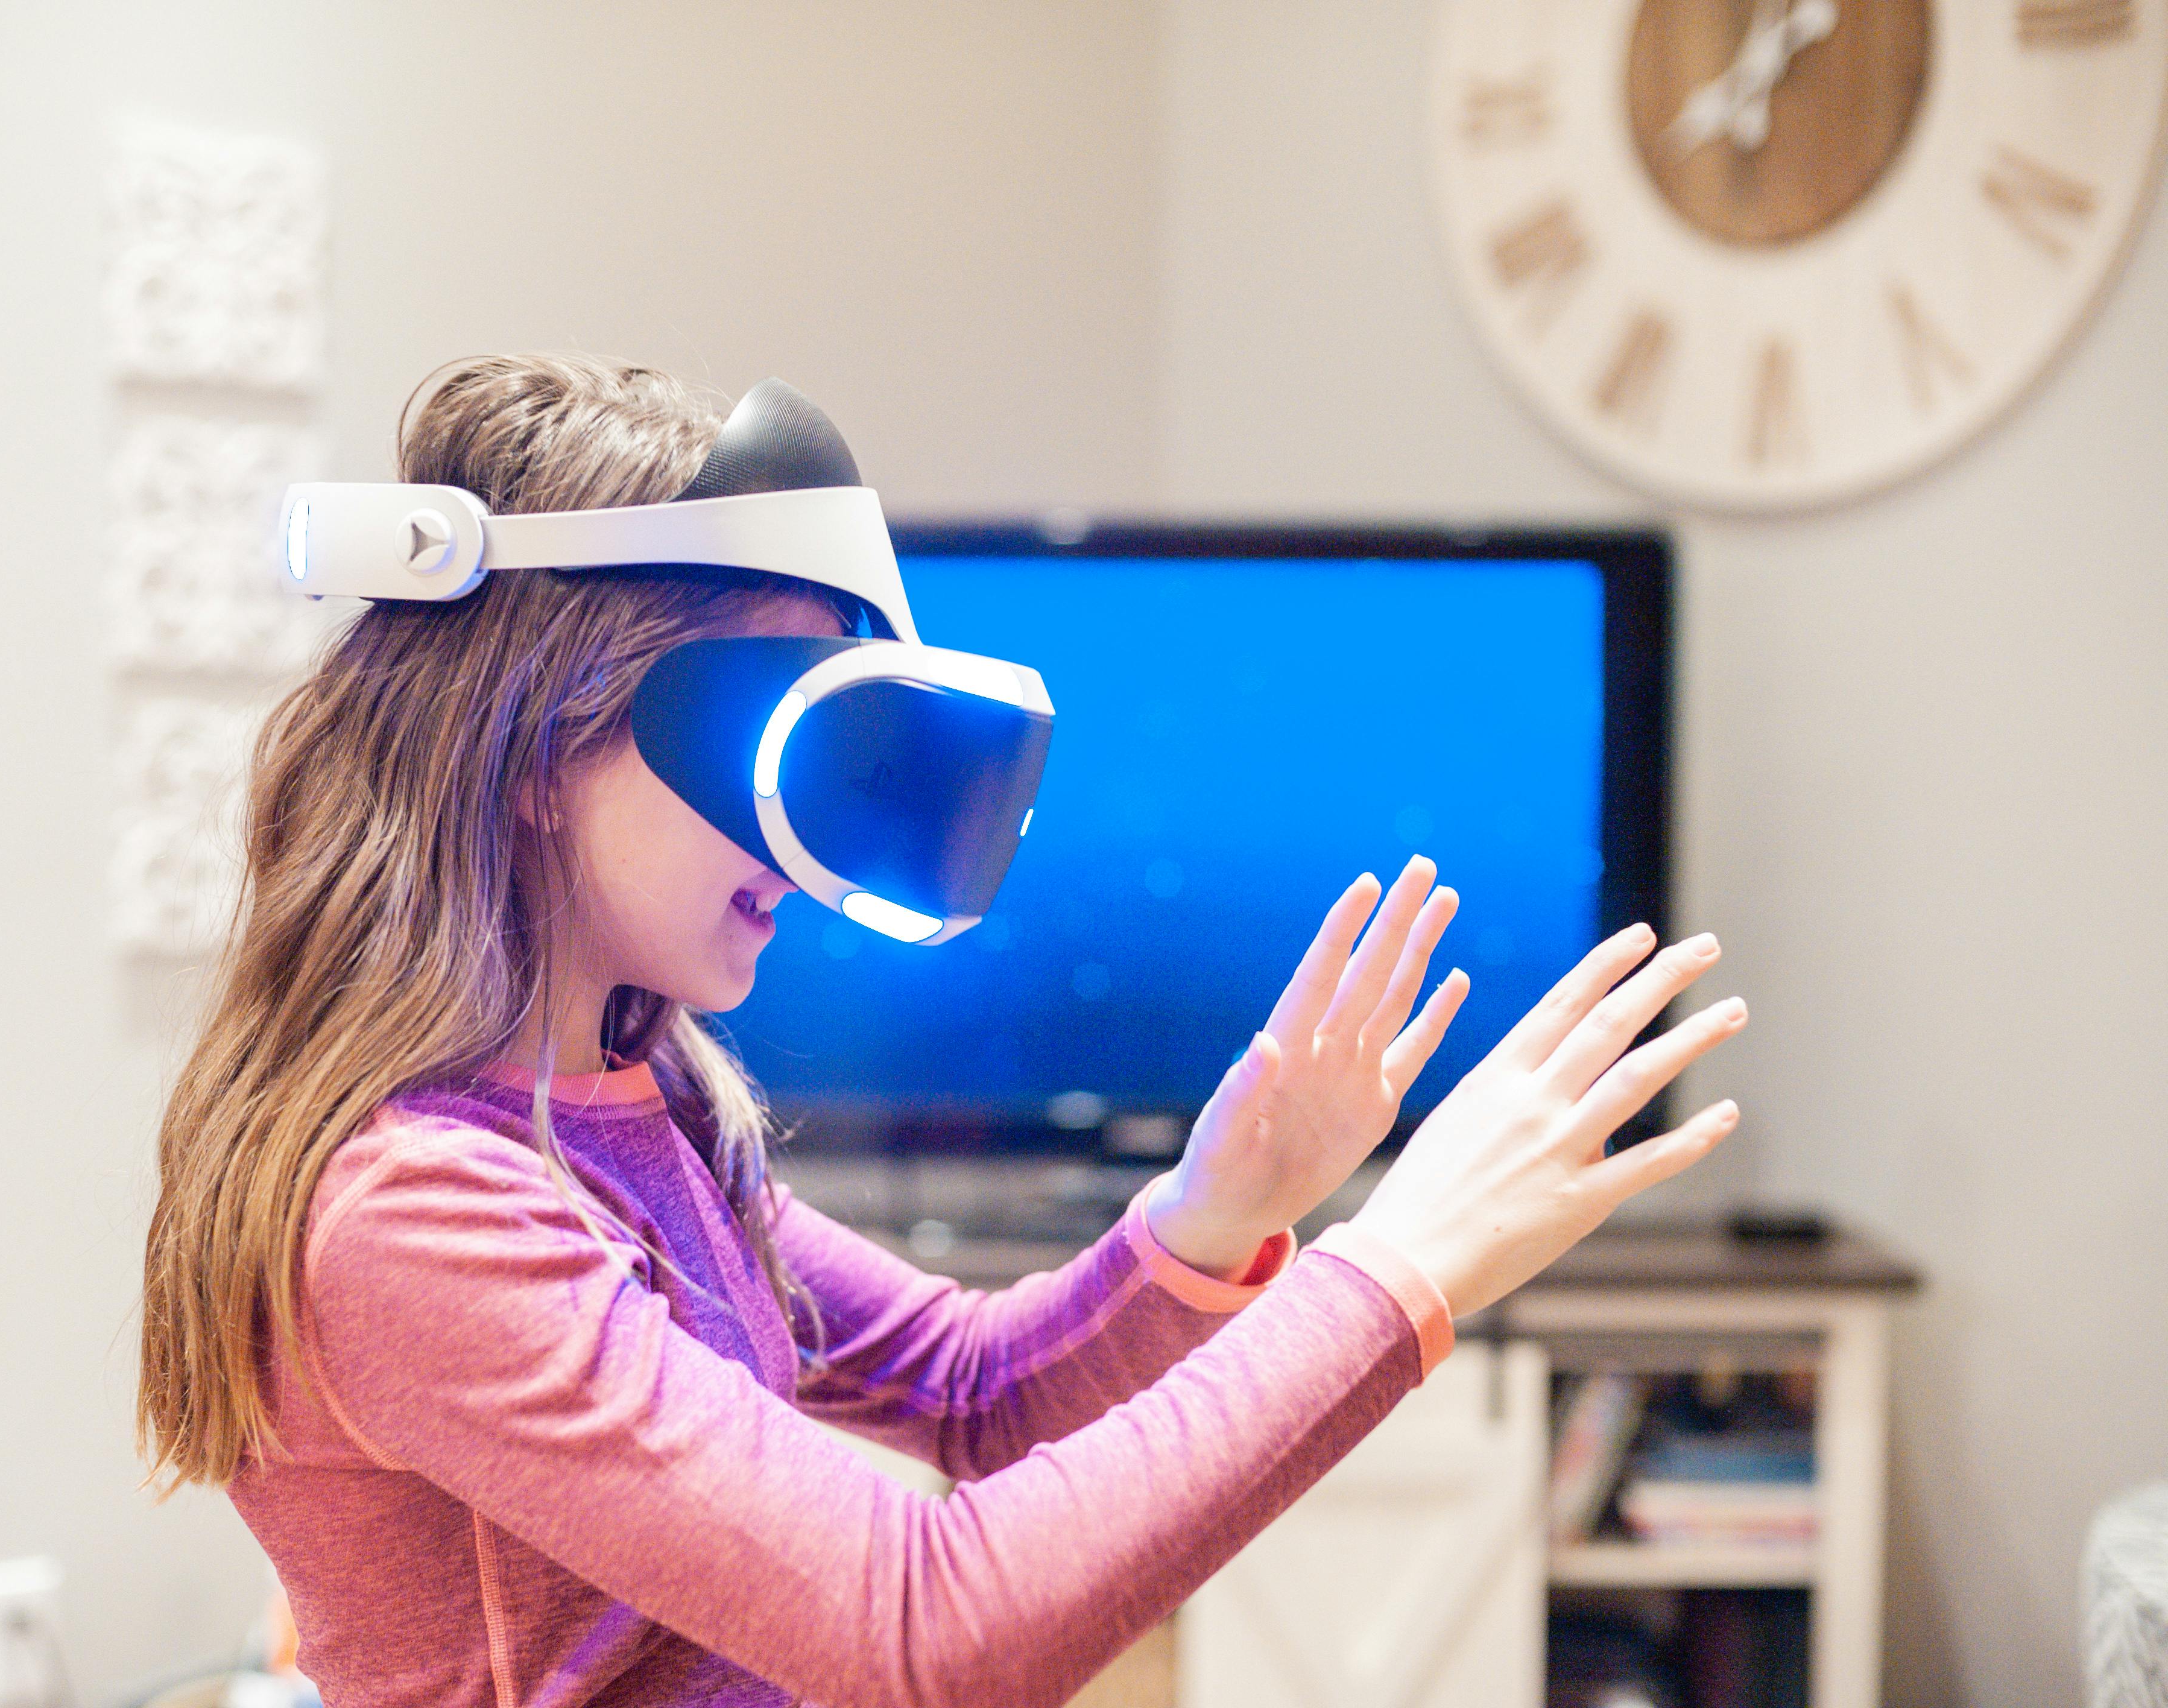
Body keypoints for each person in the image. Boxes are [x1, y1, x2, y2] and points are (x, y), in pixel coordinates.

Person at [137, 354, 1747, 1708]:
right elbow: (925, 1626)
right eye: (776, 734)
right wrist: (1401, 1270)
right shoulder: (415, 1216)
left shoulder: (643, 1101)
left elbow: (975, 1394)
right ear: (545, 746)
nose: (802, 845)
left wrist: (1226, 1206)